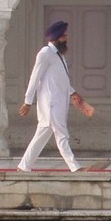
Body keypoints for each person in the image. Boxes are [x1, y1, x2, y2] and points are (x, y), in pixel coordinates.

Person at [17, 20, 93, 172]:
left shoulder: (58, 55)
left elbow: (61, 78)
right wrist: (27, 102)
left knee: (42, 135)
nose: (66, 38)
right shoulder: (45, 54)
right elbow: (34, 78)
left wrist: (73, 93)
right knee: (62, 133)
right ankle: (75, 167)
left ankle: (24, 166)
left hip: (58, 101)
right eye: (64, 36)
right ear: (57, 37)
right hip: (51, 103)